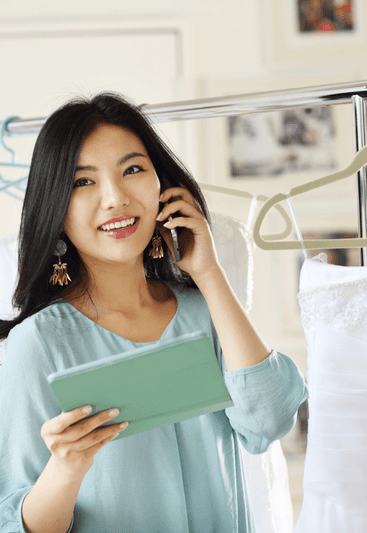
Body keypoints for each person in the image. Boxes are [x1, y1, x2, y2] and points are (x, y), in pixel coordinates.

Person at [0, 93, 308, 533]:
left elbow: (270, 419)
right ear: (58, 209)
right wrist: (66, 468)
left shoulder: (205, 313)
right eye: (82, 182)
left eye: (132, 170)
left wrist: (208, 271)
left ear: (162, 187)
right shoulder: (40, 343)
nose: (115, 198)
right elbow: (15, 523)